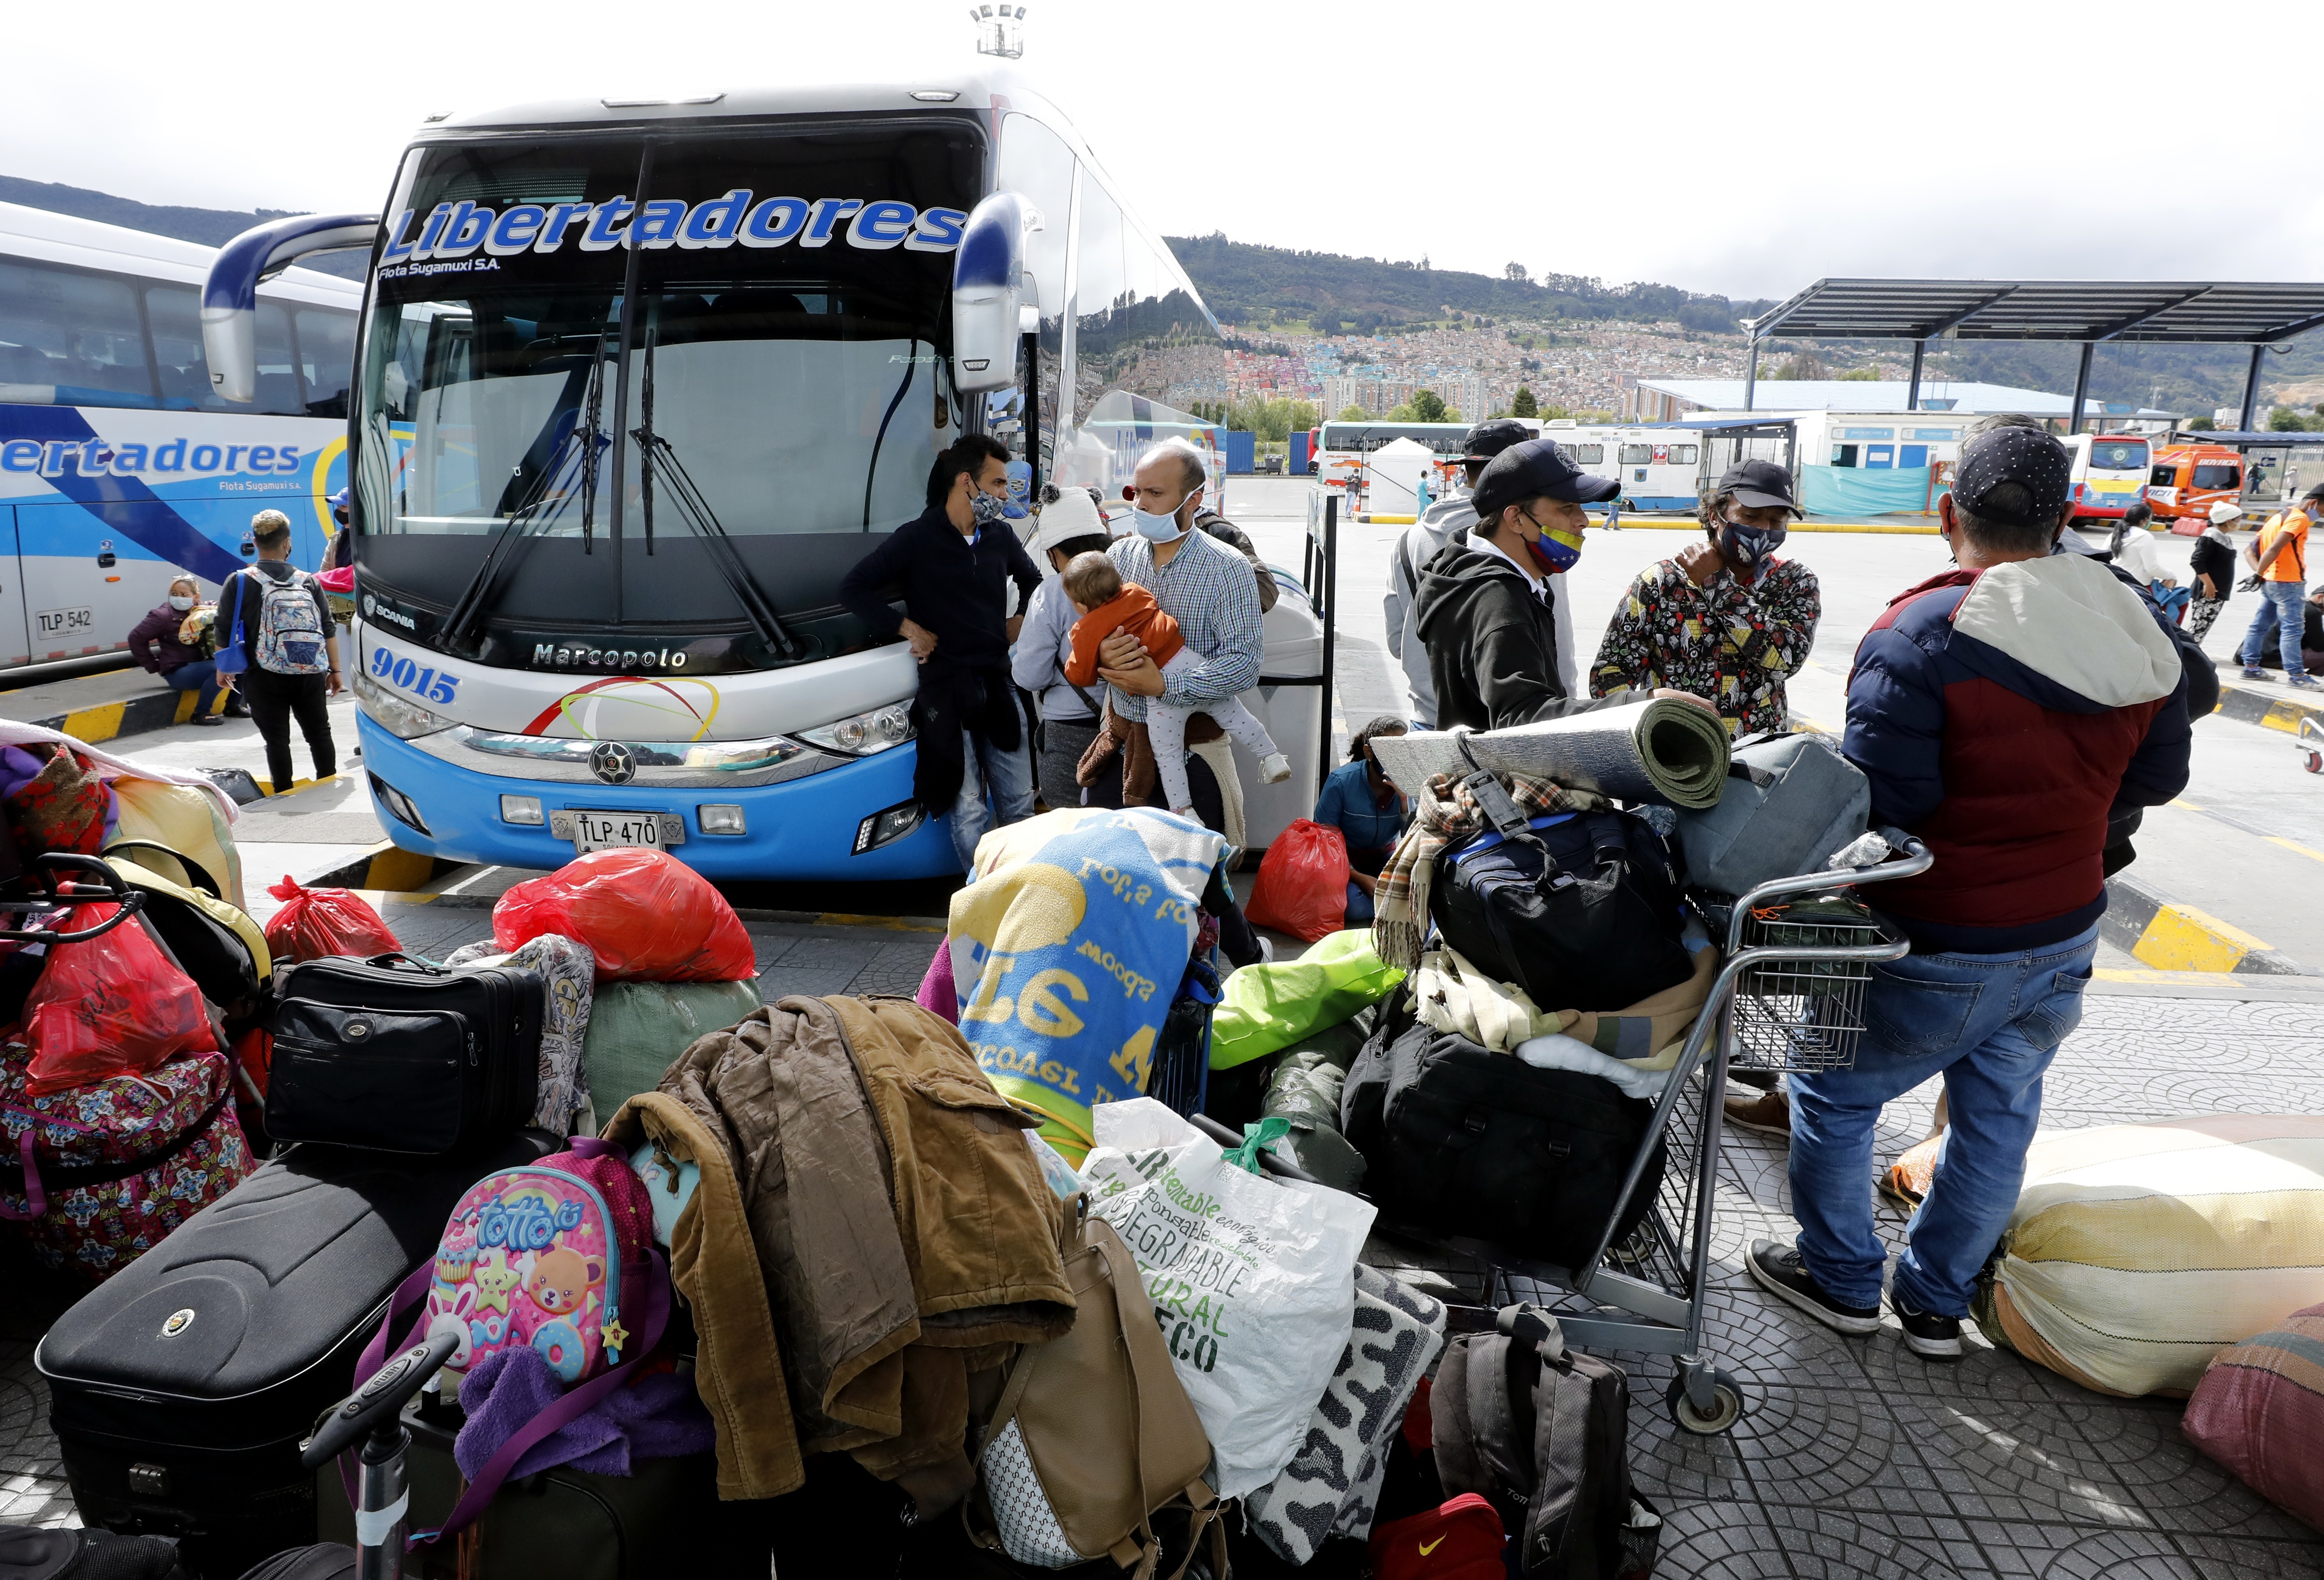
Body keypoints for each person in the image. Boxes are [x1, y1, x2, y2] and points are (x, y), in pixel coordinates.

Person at [1744, 423, 2191, 1359]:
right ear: (2065, 519)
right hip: (2068, 933)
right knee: (1998, 1116)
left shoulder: (1921, 633)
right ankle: (1939, 1304)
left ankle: (1839, 1280)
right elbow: (2158, 779)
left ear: (1950, 513)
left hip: (1941, 936)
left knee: (1831, 1094)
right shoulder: (2133, 620)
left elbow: (1885, 809)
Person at [839, 434, 1043, 869]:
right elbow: (853, 588)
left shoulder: (1000, 537)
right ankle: (985, 897)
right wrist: (908, 628)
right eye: (999, 484)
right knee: (968, 807)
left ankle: (1019, 898)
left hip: (999, 684)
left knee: (1020, 804)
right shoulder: (917, 538)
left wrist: (1021, 621)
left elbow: (1034, 583)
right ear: (967, 482)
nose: (1006, 495)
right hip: (947, 689)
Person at [1412, 439, 1709, 731]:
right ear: (1516, 518)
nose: (1583, 521)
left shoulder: (1466, 568)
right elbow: (1520, 718)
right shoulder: (1499, 599)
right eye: (1567, 508)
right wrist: (1644, 703)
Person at [1087, 441, 1267, 826]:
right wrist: (1103, 653)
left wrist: (1165, 685)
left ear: (1193, 499)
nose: (1141, 505)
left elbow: (1245, 664)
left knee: (1194, 879)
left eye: (1155, 494)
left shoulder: (1227, 567)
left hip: (1195, 756)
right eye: (1136, 493)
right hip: (1122, 750)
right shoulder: (1120, 557)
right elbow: (1090, 632)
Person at [1589, 460, 1822, 736]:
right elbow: (1610, 675)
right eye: (1749, 517)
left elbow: (1785, 662)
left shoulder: (1794, 582)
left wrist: (1717, 584)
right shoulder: (1663, 582)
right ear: (1714, 516)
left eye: (1776, 521)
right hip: (1674, 756)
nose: (1763, 529)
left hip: (1760, 758)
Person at [1060, 552, 1288, 817]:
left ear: (1080, 605)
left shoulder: (1086, 629)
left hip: (1159, 697)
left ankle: (1184, 809)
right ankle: (1271, 757)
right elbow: (1149, 605)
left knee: (1168, 754)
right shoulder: (1135, 592)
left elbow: (1080, 675)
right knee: (1235, 715)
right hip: (1190, 662)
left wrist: (1095, 653)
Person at [1383, 420, 1536, 726]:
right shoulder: (1529, 537)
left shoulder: (1409, 540)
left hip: (1426, 721)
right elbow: (1557, 643)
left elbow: (1397, 641)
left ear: (1466, 469)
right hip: (1506, 727)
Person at [1011, 486, 1114, 811]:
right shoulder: (1126, 577)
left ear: (1054, 551)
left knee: (1073, 835)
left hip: (1070, 735)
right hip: (1128, 727)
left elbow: (1029, 676)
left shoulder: (1052, 593)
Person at [226, 511, 343, 792]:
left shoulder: (241, 581)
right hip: (309, 670)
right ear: (287, 542)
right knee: (319, 733)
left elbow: (224, 626)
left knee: (277, 740)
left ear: (255, 542)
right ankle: (327, 783)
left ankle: (284, 792)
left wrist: (224, 667)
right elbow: (327, 628)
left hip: (264, 673)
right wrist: (335, 670)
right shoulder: (309, 581)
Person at [1313, 717, 1410, 923]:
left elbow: (1414, 838)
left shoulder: (1410, 782)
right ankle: (1391, 907)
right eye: (1386, 749)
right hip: (1343, 862)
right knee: (1353, 908)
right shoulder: (1341, 782)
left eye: (1401, 749)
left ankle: (1389, 904)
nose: (1394, 758)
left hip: (1383, 858)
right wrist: (1361, 879)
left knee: (1418, 889)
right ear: (1368, 752)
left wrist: (1404, 799)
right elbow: (1324, 843)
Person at [2237, 482, 2321, 690]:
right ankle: (2297, 676)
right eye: (2321, 510)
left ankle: (2251, 667)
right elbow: (2275, 547)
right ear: (2314, 503)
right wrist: (2258, 573)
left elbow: (2249, 549)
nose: (2319, 515)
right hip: (2288, 582)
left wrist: (2259, 574)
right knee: (2293, 629)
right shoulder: (2300, 518)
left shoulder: (2278, 516)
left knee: (2259, 626)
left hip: (2270, 580)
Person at [127, 576, 231, 727]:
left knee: (238, 662)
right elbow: (135, 638)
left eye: (184, 595)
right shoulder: (162, 616)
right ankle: (201, 714)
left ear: (196, 597)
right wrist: (154, 666)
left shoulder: (202, 612)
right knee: (220, 668)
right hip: (178, 671)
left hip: (200, 666)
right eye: (174, 594)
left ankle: (233, 707)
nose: (178, 598)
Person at [2187, 500, 2241, 641]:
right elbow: (2197, 561)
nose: (2239, 523)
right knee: (2197, 629)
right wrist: (2208, 584)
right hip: (2209, 592)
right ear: (2229, 521)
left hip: (2217, 593)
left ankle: (2191, 656)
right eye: (2238, 520)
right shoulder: (2210, 537)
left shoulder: (2224, 537)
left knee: (2202, 629)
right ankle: (2188, 658)